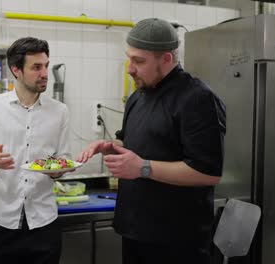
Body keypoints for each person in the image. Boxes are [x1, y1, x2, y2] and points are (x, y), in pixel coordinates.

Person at [77, 18, 226, 264]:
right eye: (129, 58)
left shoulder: (197, 98)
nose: (129, 68)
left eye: (139, 61)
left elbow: (208, 172)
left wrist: (143, 167)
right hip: (136, 232)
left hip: (176, 241)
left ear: (166, 59)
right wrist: (111, 148)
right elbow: (136, 149)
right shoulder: (138, 96)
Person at [0, 37, 71, 264]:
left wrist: (57, 170)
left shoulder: (60, 111)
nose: (44, 73)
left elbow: (64, 158)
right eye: (36, 67)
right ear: (16, 70)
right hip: (1, 223)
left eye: (46, 65)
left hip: (44, 224)